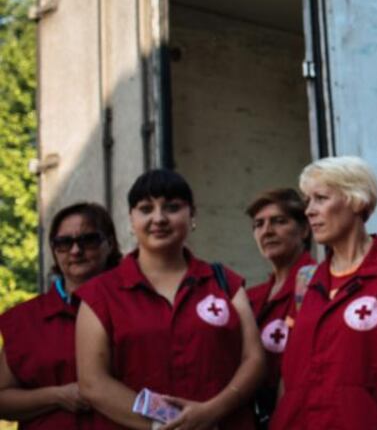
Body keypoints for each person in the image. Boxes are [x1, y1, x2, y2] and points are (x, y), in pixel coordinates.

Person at [76, 169, 264, 429]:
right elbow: (92, 382)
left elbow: (254, 359)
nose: (159, 218)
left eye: (172, 207)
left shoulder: (225, 283)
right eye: (145, 209)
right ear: (131, 219)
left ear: (192, 215)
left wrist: (210, 413)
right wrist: (165, 424)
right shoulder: (100, 294)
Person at [272, 156, 377, 429]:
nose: (309, 211)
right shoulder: (305, 280)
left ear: (357, 200)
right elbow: (289, 376)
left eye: (321, 198)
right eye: (307, 200)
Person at [0, 202, 122, 428]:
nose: (76, 251)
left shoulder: (135, 308)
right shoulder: (26, 319)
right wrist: (56, 396)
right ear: (54, 251)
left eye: (88, 240)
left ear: (110, 244)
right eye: (64, 243)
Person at [244, 189, 316, 427]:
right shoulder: (249, 298)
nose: (267, 231)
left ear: (304, 230)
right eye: (259, 224)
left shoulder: (321, 284)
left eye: (279, 221)